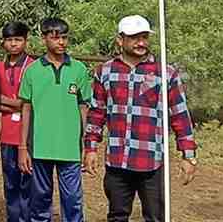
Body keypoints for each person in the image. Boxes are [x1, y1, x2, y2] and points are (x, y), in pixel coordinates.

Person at [83, 15, 197, 222]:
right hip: (117, 160)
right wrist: (90, 148)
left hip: (151, 161)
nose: (141, 43)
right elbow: (96, 113)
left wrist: (188, 155)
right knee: (117, 216)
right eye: (135, 38)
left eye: (144, 37)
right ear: (120, 40)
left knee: (155, 217)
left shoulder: (165, 73)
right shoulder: (105, 71)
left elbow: (180, 115)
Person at [18, 18, 91, 222]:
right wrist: (23, 147)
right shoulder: (32, 71)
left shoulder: (79, 69)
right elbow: (26, 108)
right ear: (44, 39)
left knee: (73, 201)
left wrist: (86, 144)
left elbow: (83, 107)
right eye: (55, 38)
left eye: (65, 38)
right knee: (40, 200)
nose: (61, 42)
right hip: (40, 147)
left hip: (70, 149)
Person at [0, 21, 35, 222]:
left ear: (25, 41)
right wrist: (19, 104)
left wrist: (11, 102)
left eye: (18, 40)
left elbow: (34, 102)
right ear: (3, 42)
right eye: (9, 40)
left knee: (28, 183)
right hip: (7, 134)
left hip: (29, 135)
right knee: (10, 183)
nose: (13, 44)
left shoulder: (34, 67)